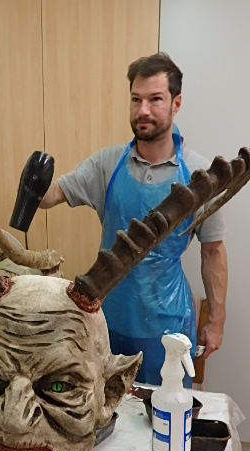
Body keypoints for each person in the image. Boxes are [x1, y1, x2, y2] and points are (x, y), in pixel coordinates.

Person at [38, 52, 227, 386]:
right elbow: (52, 196)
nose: (143, 110)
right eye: (136, 99)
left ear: (176, 103)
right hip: (105, 321)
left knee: (164, 409)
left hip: (169, 328)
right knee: (106, 407)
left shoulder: (201, 176)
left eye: (155, 99)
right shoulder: (107, 164)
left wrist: (216, 321)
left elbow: (212, 251)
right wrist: (33, 183)